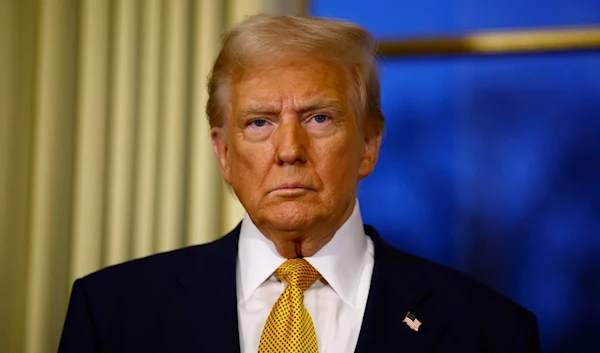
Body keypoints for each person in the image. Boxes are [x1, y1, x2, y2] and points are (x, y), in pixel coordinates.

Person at [58, 14, 540, 353]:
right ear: (224, 152)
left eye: (318, 117)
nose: (289, 149)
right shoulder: (112, 314)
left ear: (369, 144)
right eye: (259, 123)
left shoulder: (488, 331)